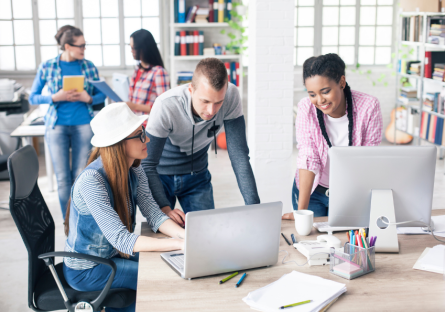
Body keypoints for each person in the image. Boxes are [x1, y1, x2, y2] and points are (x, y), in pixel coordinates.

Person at [63, 102, 185, 312]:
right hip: (88, 268)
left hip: (113, 255)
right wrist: (179, 245)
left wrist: (185, 237)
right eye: (139, 135)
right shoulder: (92, 181)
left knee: (167, 263)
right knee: (158, 277)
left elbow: (155, 215)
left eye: (143, 132)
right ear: (119, 143)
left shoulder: (135, 170)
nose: (146, 139)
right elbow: (122, 239)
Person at [142, 58, 260, 226]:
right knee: (164, 238)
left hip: (197, 175)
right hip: (160, 178)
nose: (211, 111)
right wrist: (164, 207)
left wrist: (254, 207)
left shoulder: (231, 95)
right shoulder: (166, 105)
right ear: (191, 89)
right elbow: (147, 163)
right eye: (205, 101)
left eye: (218, 102)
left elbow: (239, 155)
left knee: (206, 234)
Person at [282, 53, 383, 220]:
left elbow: (368, 158)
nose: (320, 100)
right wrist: (301, 213)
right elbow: (308, 157)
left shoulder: (369, 106)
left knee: (345, 239)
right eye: (312, 94)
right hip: (312, 190)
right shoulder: (306, 108)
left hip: (349, 191)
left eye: (325, 91)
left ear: (341, 82)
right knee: (311, 240)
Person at [29, 25, 106, 219]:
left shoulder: (88, 66)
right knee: (63, 179)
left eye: (85, 45)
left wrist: (88, 98)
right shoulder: (47, 66)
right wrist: (55, 97)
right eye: (80, 46)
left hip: (84, 125)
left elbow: (101, 95)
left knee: (81, 176)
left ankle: (79, 219)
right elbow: (33, 97)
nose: (84, 49)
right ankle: (68, 221)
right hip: (57, 126)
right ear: (67, 46)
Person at [126, 29, 169, 120]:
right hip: (135, 123)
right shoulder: (137, 69)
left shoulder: (159, 72)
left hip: (148, 125)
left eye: (133, 48)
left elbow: (164, 107)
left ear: (142, 49)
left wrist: (134, 106)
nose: (131, 51)